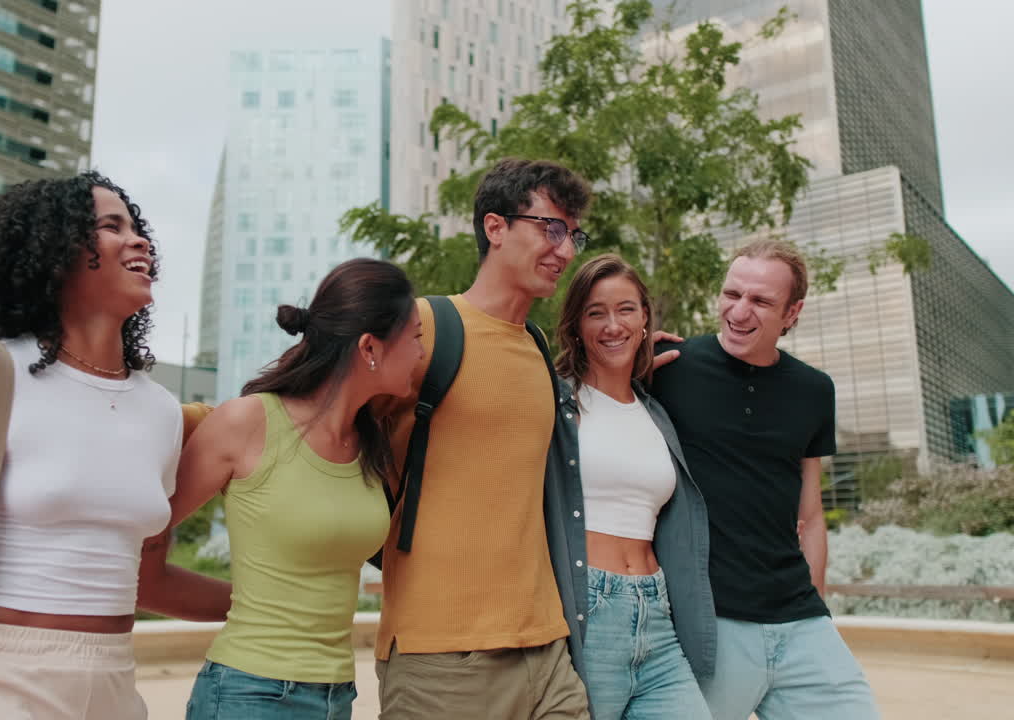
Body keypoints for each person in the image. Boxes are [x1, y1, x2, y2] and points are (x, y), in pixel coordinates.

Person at [0, 172, 231, 720]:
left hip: (117, 687)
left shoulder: (159, 411)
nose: (140, 240)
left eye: (138, 227)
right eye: (111, 226)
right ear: (55, 251)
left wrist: (278, 603)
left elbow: (145, 581)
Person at [372, 158, 594, 719]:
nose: (565, 251)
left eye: (573, 235)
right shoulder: (424, 326)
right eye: (551, 228)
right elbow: (312, 416)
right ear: (495, 227)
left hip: (547, 650)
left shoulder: (540, 349)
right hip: (441, 656)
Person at [164, 258, 424, 720]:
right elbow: (141, 548)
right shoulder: (248, 422)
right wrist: (250, 603)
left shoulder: (369, 443)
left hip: (336, 696)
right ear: (370, 347)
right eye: (416, 338)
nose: (422, 354)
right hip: (249, 693)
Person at [650, 239, 880, 719]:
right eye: (732, 294)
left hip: (800, 624)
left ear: (792, 313)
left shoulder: (815, 390)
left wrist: (816, 607)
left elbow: (811, 515)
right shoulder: (669, 367)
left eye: (760, 301)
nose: (739, 311)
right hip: (708, 624)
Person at [552, 254, 714, 720]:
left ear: (645, 317)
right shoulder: (561, 402)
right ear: (577, 326)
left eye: (626, 309)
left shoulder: (655, 411)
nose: (612, 325)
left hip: (658, 613)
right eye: (595, 312)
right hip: (591, 611)